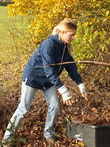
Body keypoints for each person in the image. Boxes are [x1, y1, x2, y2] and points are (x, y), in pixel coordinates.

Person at [2, 18, 88, 146]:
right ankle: (7, 139)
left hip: (47, 81)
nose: (73, 37)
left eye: (74, 34)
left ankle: (48, 134)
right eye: (71, 34)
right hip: (32, 78)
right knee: (23, 108)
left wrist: (81, 85)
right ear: (63, 32)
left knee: (54, 106)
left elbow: (71, 67)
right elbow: (49, 70)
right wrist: (64, 91)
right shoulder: (49, 44)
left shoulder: (64, 48)